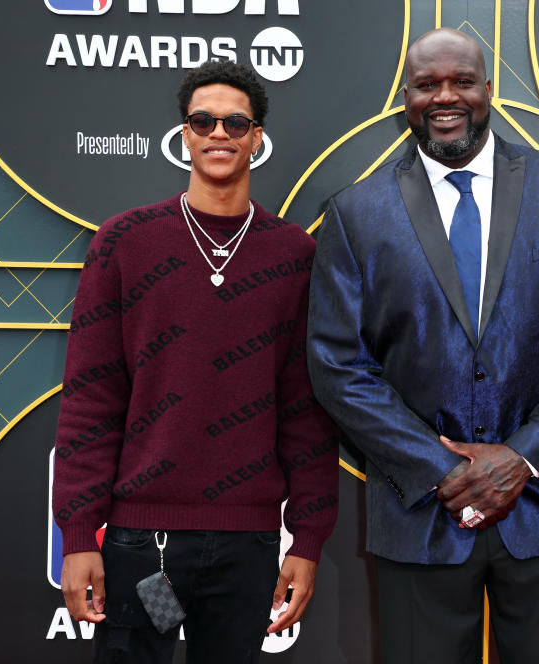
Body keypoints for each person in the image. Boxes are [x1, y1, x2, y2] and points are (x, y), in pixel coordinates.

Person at [306, 27, 539, 664]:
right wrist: (444, 470)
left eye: (462, 81)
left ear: (490, 87)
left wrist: (522, 456)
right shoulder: (356, 212)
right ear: (406, 96)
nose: (445, 96)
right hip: (420, 514)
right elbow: (338, 364)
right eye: (427, 85)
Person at [52, 60, 339, 663]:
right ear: (184, 134)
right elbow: (90, 397)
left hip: (248, 545)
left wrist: (307, 540)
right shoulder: (125, 242)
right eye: (202, 120)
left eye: (236, 122)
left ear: (256, 138)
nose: (218, 132)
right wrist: (78, 533)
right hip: (143, 547)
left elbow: (306, 411)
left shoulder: (294, 254)